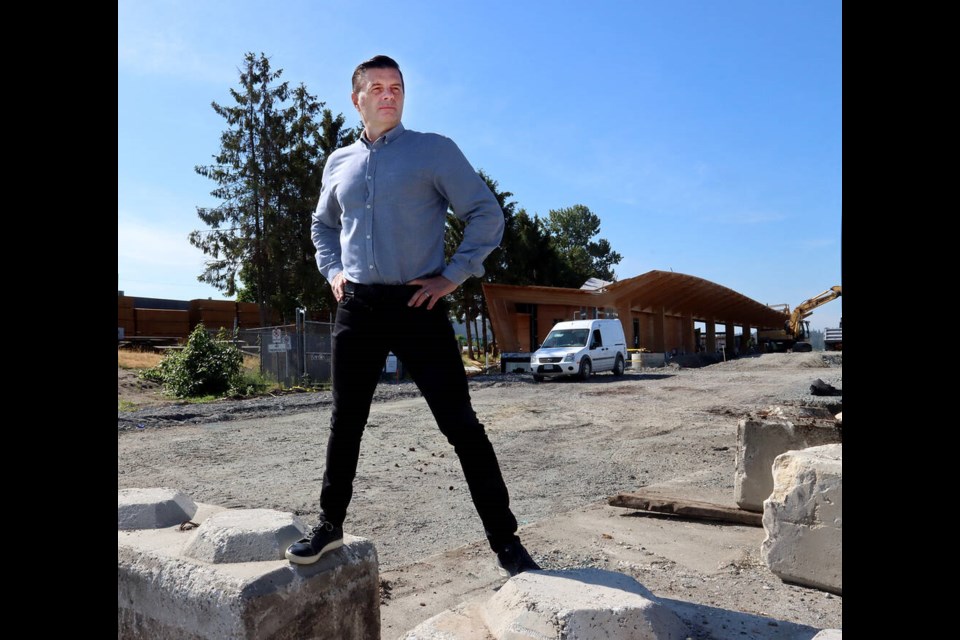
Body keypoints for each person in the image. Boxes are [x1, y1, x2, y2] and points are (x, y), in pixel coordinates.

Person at [285, 55, 539, 577]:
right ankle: (329, 526)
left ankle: (506, 543)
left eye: (396, 87)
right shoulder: (339, 162)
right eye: (376, 88)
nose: (388, 95)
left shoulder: (434, 151)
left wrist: (454, 274)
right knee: (345, 423)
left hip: (418, 306)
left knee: (462, 426)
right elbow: (321, 226)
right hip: (356, 307)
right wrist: (333, 272)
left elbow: (486, 213)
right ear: (356, 98)